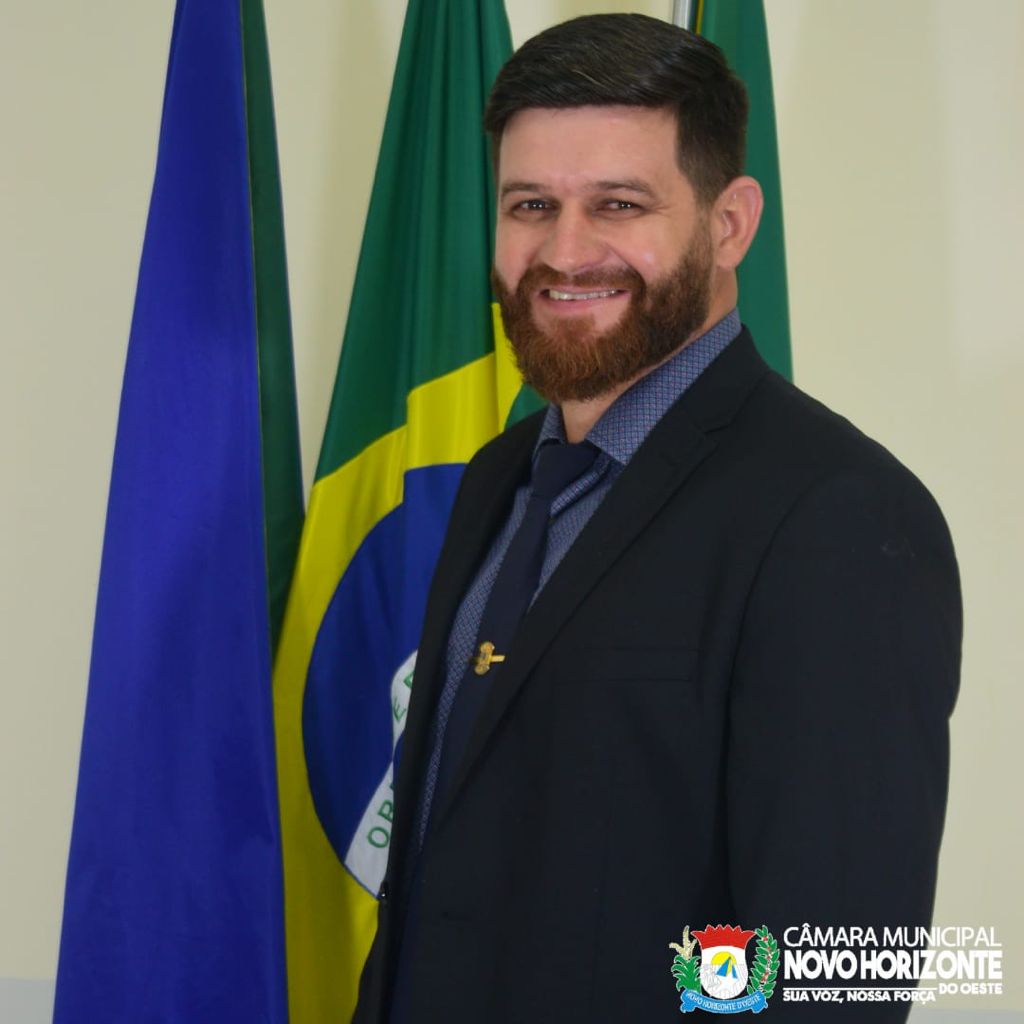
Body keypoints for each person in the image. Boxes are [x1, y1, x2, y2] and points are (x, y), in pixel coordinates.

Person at [353, 14, 961, 1023]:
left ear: (730, 224)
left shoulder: (839, 516)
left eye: (619, 204)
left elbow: (827, 976)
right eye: (530, 204)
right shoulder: (501, 477)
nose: (564, 250)